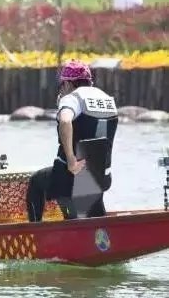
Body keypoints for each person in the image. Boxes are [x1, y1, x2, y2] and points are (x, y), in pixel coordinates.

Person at [26, 59, 118, 221]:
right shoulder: (107, 99)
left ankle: (35, 232)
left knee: (36, 181)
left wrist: (71, 161)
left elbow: (65, 121)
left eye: (62, 85)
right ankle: (102, 230)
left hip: (72, 177)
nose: (61, 89)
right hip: (102, 177)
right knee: (93, 213)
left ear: (68, 83)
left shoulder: (72, 98)